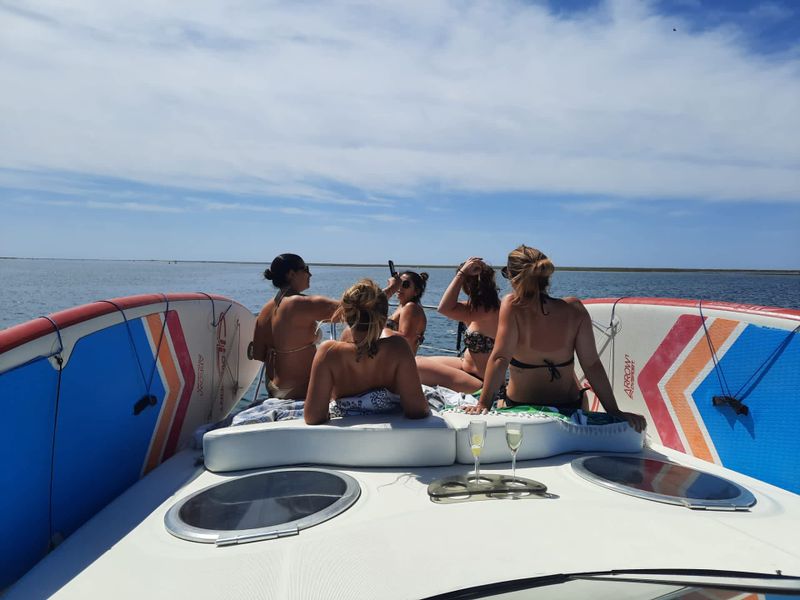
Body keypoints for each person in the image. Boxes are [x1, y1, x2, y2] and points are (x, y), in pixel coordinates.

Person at [465, 245, 646, 432]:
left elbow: (500, 358)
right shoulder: (575, 308)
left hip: (522, 405)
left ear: (512, 277)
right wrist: (614, 411)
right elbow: (591, 364)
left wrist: (483, 404)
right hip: (571, 406)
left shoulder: (512, 305)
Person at [304, 279, 431, 425]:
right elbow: (417, 411)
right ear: (384, 321)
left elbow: (313, 417)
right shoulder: (398, 348)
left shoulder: (328, 352)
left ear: (345, 316)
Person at [251, 253, 339, 399]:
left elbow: (258, 354)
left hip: (273, 388)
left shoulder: (265, 310)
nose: (310, 274)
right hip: (301, 388)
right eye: (306, 269)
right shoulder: (300, 304)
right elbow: (353, 310)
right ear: (291, 274)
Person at [415, 257, 500, 393]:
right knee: (416, 361)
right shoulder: (477, 308)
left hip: (481, 381)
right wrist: (463, 274)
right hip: (465, 366)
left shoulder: (488, 310)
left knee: (416, 365)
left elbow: (444, 308)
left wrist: (461, 274)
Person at [382, 270, 428, 355]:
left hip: (399, 360)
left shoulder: (410, 307)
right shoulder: (402, 306)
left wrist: (377, 330)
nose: (399, 287)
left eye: (405, 284)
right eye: (399, 283)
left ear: (416, 291)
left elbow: (406, 338)